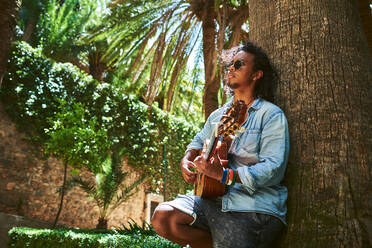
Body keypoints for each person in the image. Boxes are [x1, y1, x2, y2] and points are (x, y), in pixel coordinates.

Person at [151, 41, 290, 248]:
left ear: (256, 74)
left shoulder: (270, 115)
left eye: (239, 64)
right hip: (213, 201)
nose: (231, 69)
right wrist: (187, 159)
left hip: (253, 208)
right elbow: (198, 142)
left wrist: (223, 175)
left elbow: (274, 168)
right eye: (230, 65)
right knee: (164, 217)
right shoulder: (220, 115)